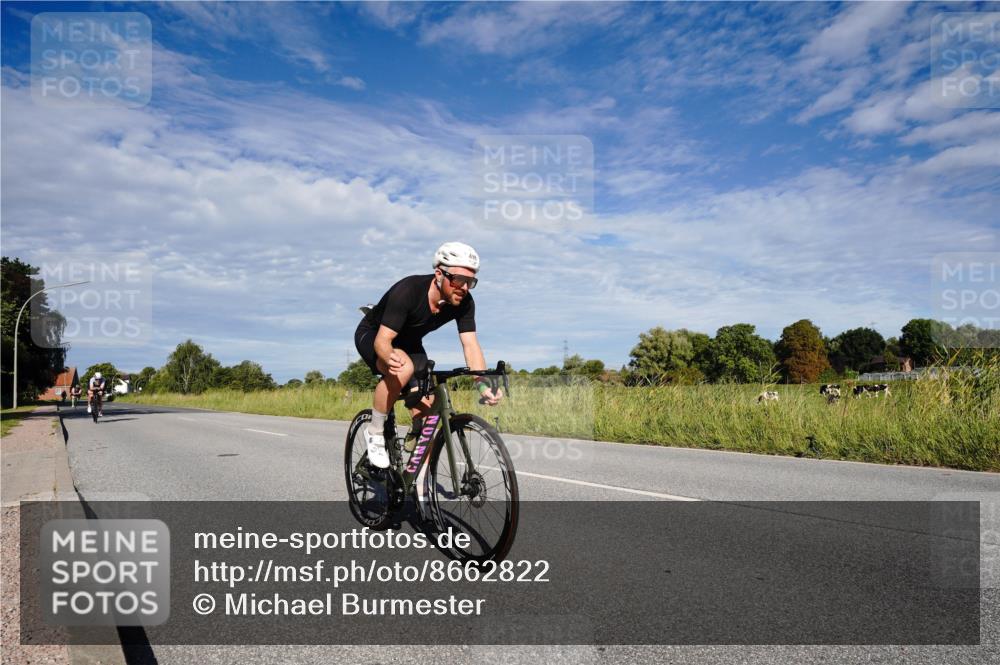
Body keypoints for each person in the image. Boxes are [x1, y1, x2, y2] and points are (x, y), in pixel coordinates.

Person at [354, 242, 502, 468]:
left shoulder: (464, 302)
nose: (465, 287)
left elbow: (470, 345)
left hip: (411, 343)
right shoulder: (409, 290)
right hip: (375, 335)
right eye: (459, 279)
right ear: (439, 274)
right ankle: (374, 431)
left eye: (471, 282)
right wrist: (392, 361)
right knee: (404, 368)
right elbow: (383, 341)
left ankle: (419, 486)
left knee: (429, 408)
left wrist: (482, 383)